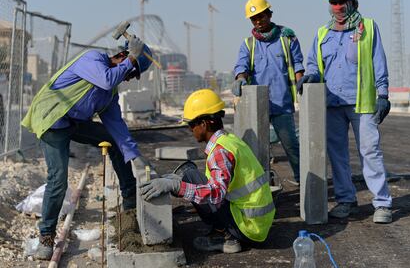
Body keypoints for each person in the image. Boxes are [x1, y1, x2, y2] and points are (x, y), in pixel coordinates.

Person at [21, 36, 153, 260]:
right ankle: (46, 235)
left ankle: (129, 203)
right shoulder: (93, 59)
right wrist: (133, 58)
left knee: (112, 140)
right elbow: (106, 79)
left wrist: (136, 156)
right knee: (58, 178)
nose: (129, 78)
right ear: (121, 57)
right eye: (130, 72)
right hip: (52, 118)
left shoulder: (110, 95)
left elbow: (117, 128)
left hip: (73, 121)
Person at [297, 0, 392, 223]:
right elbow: (314, 65)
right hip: (332, 104)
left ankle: (382, 204)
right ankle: (346, 200)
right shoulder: (322, 33)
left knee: (370, 151)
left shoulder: (368, 27)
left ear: (351, 0)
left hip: (362, 103)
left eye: (342, 1)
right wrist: (309, 77)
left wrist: (383, 94)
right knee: (337, 154)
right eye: (334, 3)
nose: (338, 7)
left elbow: (378, 62)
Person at [140, 89, 275, 253]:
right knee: (188, 173)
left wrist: (176, 186)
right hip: (258, 223)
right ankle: (224, 230)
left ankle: (226, 236)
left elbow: (216, 193)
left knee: (190, 179)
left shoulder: (219, 151)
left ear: (203, 124)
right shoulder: (229, 140)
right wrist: (175, 180)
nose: (190, 130)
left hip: (247, 227)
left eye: (191, 125)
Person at [232, 0, 304, 183]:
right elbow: (242, 67)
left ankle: (303, 180)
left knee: (291, 146)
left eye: (261, 17)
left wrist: (302, 86)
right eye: (254, 19)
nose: (258, 22)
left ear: (269, 14)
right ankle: (261, 182)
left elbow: (297, 65)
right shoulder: (248, 44)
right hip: (258, 105)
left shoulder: (287, 38)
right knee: (258, 149)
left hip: (282, 103)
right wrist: (240, 79)